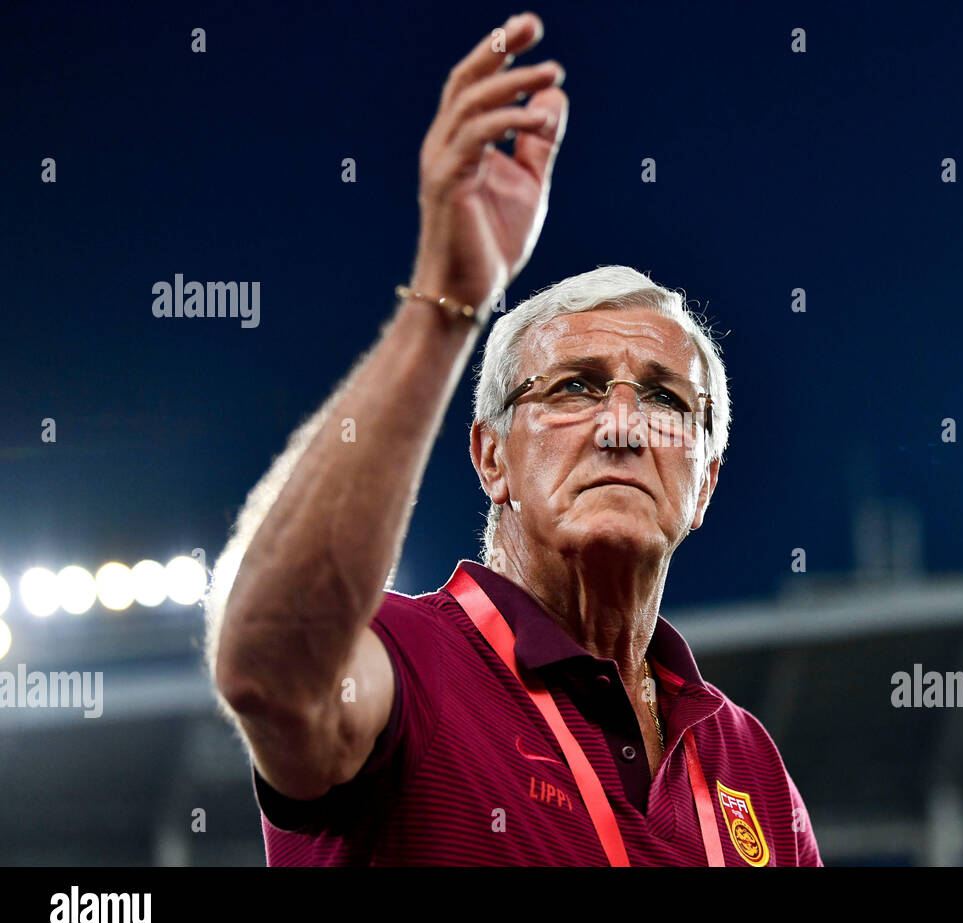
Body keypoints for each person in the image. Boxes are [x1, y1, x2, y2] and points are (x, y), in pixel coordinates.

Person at [206, 11, 821, 866]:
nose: (619, 425)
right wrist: (444, 300)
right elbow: (266, 672)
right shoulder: (409, 664)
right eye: (572, 387)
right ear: (490, 455)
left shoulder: (745, 761)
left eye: (664, 398)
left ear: (707, 481)